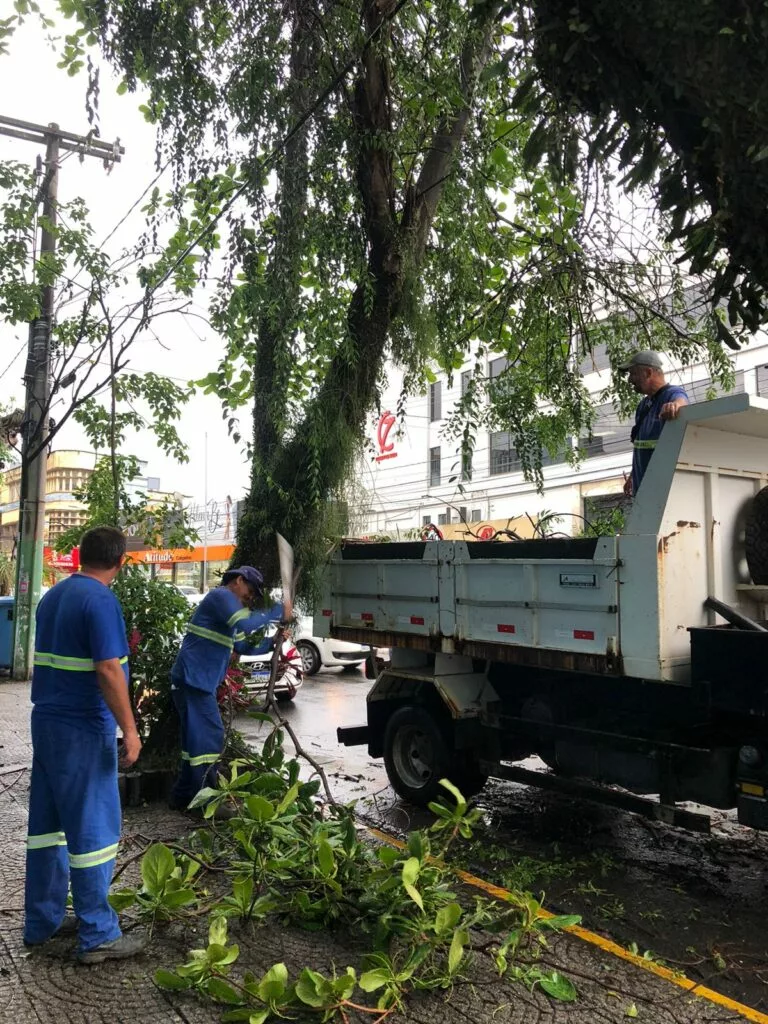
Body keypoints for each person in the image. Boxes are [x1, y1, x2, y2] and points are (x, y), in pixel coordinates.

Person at [24, 526, 146, 964]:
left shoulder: (54, 596)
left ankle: (42, 921)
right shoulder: (101, 600)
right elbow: (109, 670)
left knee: (48, 827)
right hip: (82, 728)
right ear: (120, 562)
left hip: (48, 724)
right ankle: (97, 932)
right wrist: (130, 731)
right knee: (93, 827)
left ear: (80, 556)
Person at [168, 566, 291, 812]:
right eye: (251, 590)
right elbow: (246, 624)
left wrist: (272, 643)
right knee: (210, 739)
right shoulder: (222, 597)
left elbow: (243, 646)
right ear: (238, 580)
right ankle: (208, 803)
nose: (252, 597)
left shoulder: (227, 610)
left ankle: (182, 798)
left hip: (196, 683)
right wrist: (279, 610)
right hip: (194, 682)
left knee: (194, 745)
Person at [620, 350, 689, 497]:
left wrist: (674, 406)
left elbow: (681, 401)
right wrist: (633, 477)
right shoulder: (643, 406)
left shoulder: (671, 394)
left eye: (633, 374)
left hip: (661, 491)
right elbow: (641, 446)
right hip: (642, 490)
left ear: (648, 372)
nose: (630, 380)